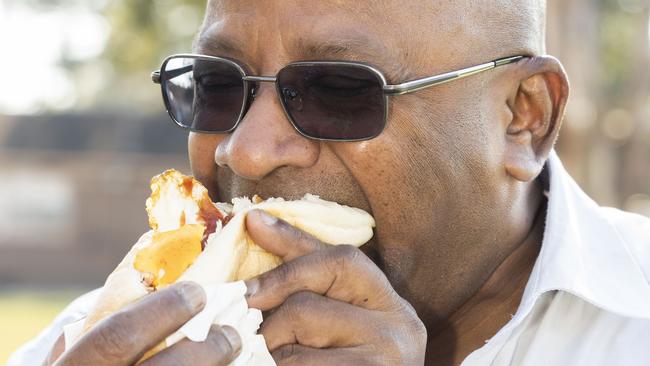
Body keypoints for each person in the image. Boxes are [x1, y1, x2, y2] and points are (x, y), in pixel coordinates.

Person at [10, 0, 650, 365]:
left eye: (338, 92)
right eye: (217, 85)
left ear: (523, 117)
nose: (249, 151)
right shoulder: (94, 343)